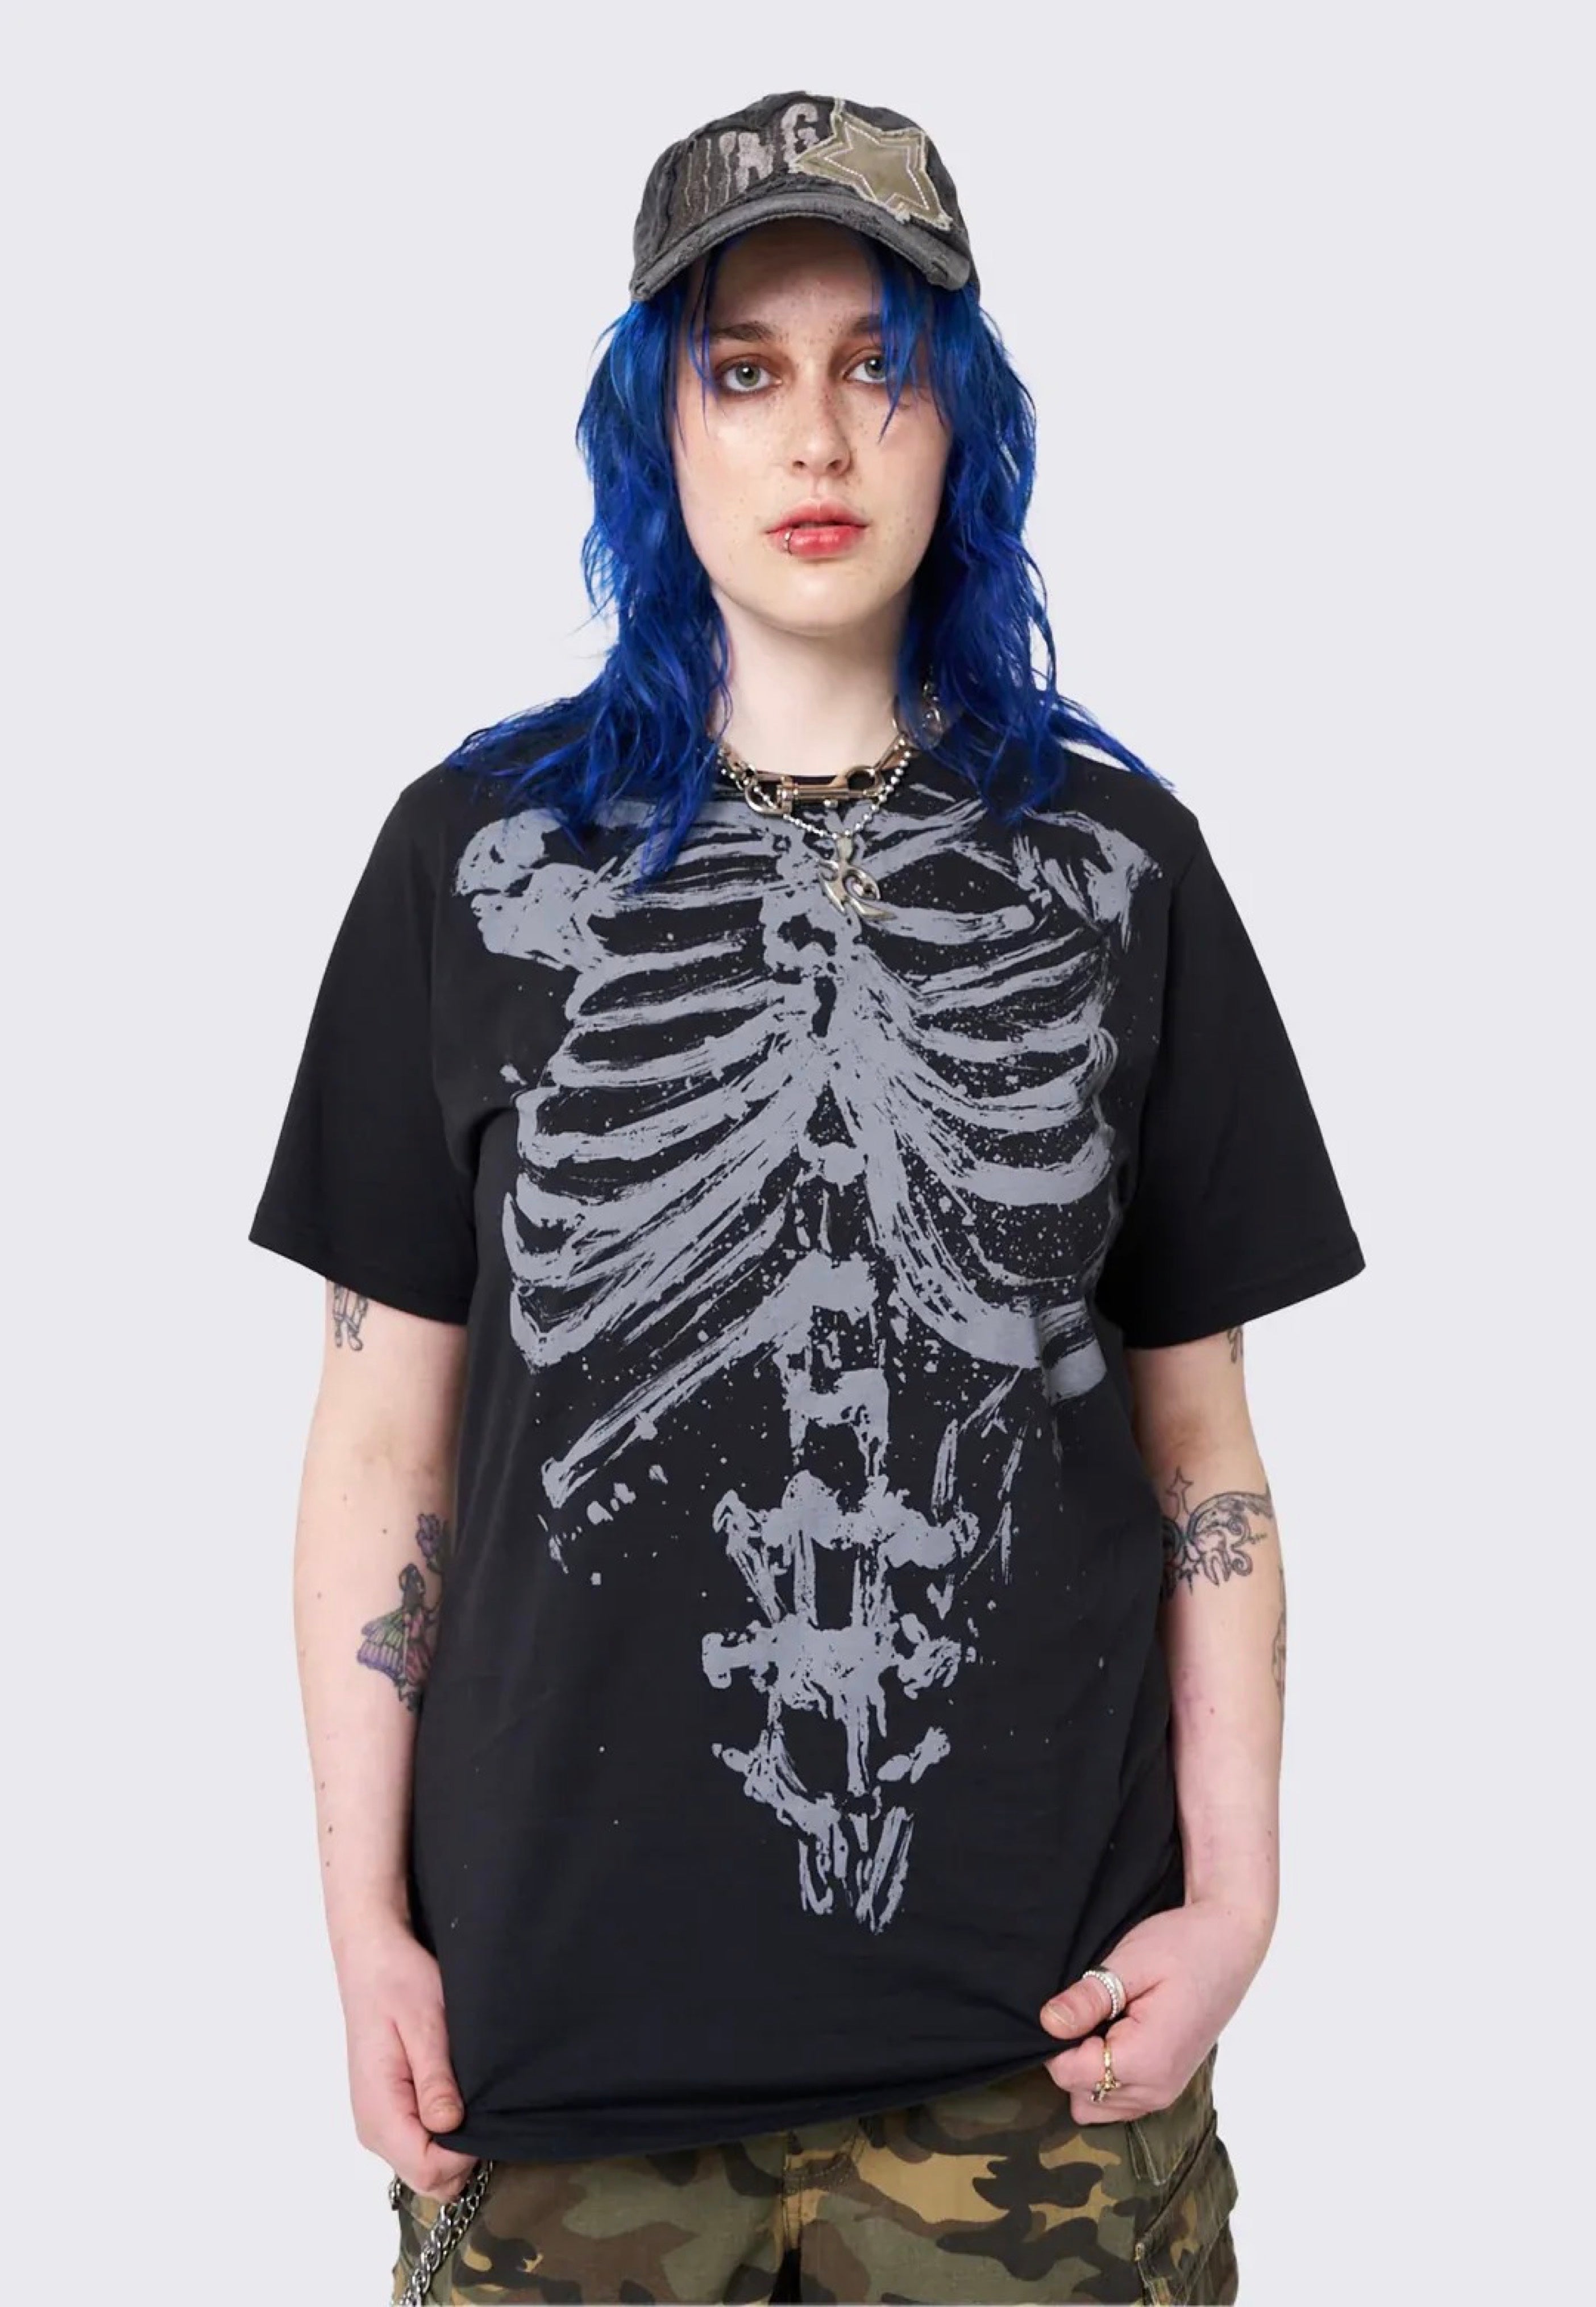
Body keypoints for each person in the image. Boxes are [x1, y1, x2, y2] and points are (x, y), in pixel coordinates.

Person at [248, 88, 1365, 2307]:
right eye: (745, 371)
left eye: (882, 366)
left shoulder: (1120, 874)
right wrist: (362, 1926)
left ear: (966, 422)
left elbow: (1204, 1451)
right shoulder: (472, 864)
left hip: (1041, 2065)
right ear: (655, 430)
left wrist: (1239, 1899)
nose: (820, 437)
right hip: (554, 2061)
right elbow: (382, 1449)